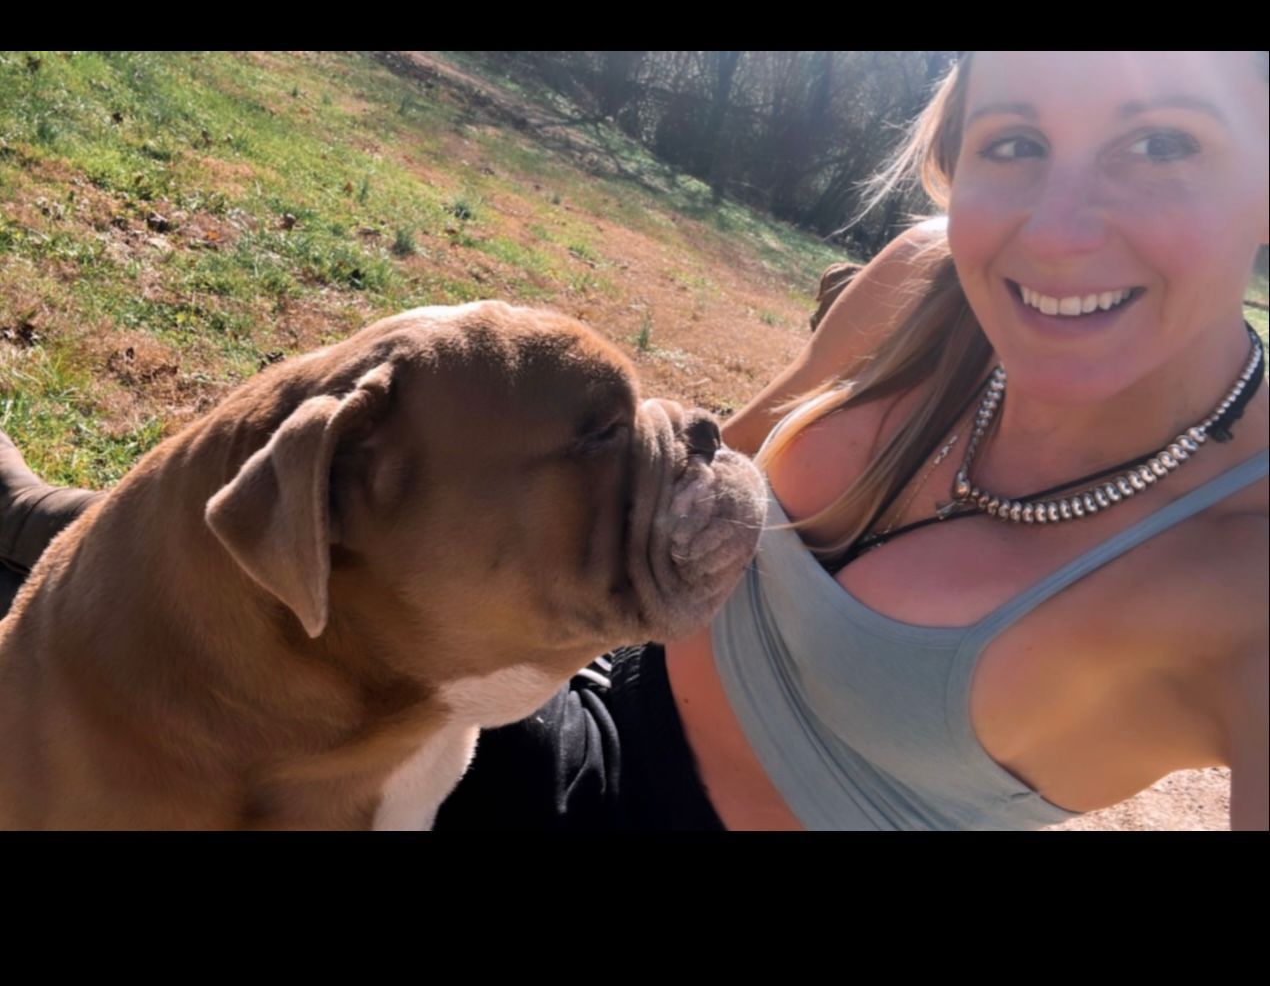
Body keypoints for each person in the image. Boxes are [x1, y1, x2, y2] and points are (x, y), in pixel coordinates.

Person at [2, 51, 1266, 830]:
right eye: (1015, 142)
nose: (1057, 225)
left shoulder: (1244, 581)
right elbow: (725, 458)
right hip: (574, 675)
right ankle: (44, 521)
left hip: (643, 816)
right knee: (229, 561)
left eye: (1164, 142)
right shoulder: (931, 281)